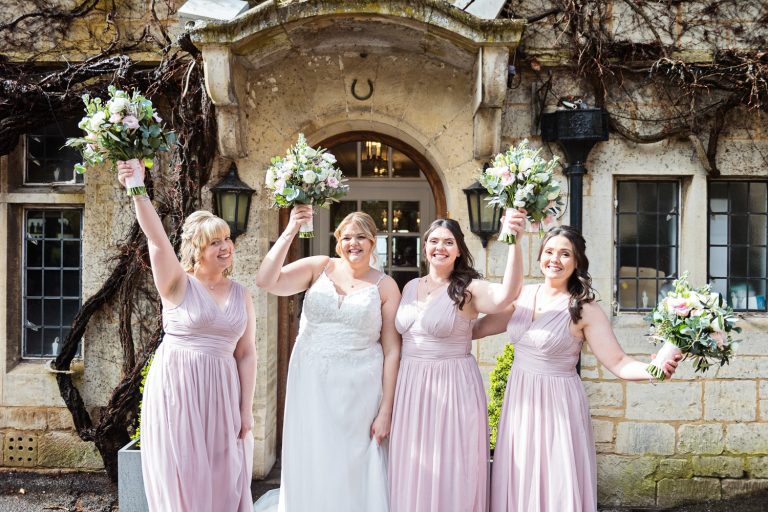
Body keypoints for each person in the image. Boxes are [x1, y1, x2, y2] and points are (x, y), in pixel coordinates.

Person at [473, 225, 681, 512]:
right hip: (519, 404)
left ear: (577, 262)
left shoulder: (584, 309)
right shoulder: (522, 296)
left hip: (558, 406)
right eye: (549, 252)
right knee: (520, 475)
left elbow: (618, 362)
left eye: (564, 253)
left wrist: (655, 368)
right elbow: (480, 327)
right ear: (540, 256)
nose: (554, 259)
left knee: (556, 479)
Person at [116, 161, 256, 512]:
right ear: (197, 249)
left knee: (226, 471)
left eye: (227, 240)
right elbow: (157, 240)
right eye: (215, 243)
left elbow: (246, 354)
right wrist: (137, 189)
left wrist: (246, 410)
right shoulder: (177, 283)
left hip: (224, 389)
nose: (226, 247)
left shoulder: (241, 294)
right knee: (184, 469)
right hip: (178, 386)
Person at [253, 206, 401, 512]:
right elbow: (266, 280)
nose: (353, 243)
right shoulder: (319, 267)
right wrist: (291, 228)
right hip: (310, 380)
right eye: (346, 237)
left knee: (352, 455)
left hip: (359, 388)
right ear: (337, 241)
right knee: (313, 450)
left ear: (373, 242)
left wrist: (386, 409)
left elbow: (392, 350)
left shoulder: (385, 286)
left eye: (361, 236)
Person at [388, 212, 526, 512]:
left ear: (459, 249)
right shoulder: (410, 286)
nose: (441, 247)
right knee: (415, 463)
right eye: (434, 241)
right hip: (411, 387)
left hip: (452, 385)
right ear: (425, 246)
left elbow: (506, 297)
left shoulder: (468, 288)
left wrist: (514, 242)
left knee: (451, 462)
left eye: (449, 242)